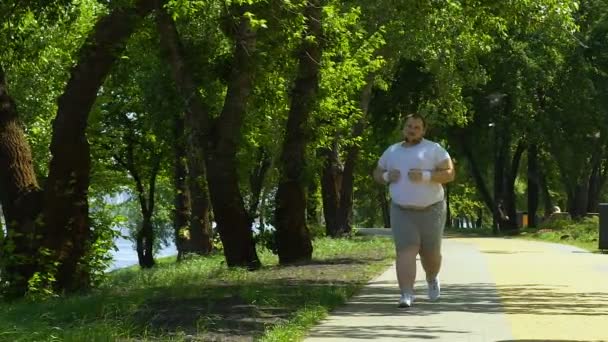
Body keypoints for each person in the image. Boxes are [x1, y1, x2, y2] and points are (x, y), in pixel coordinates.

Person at [373, 113, 455, 308]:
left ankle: (432, 277)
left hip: (431, 209)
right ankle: (406, 294)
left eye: (417, 127)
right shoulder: (392, 151)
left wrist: (426, 176)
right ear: (404, 128)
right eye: (409, 126)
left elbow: (450, 174)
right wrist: (385, 177)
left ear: (423, 131)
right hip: (402, 210)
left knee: (431, 253)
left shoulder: (434, 149)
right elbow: (376, 173)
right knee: (406, 250)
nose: (412, 129)